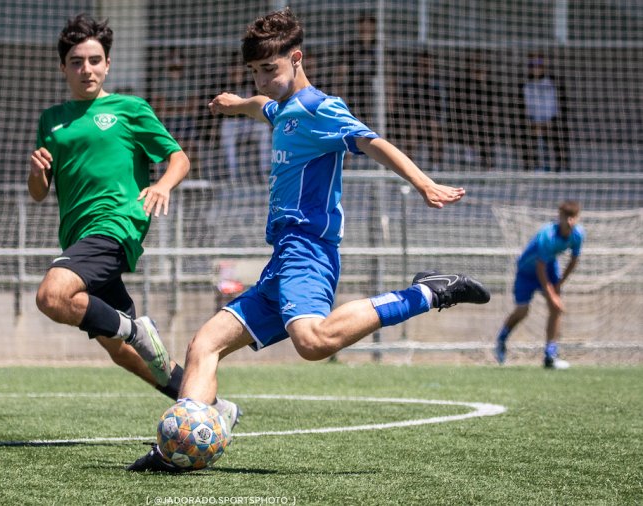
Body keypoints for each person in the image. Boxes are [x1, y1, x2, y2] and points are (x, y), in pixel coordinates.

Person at [128, 8, 490, 473]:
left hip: (309, 250)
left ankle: (427, 292)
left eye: (270, 70)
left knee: (314, 342)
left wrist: (423, 183)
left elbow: (373, 142)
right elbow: (264, 107)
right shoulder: (278, 106)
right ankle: (175, 453)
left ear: (296, 59)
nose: (262, 79)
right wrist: (234, 102)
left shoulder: (321, 108)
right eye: (255, 71)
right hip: (281, 257)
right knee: (204, 345)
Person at [28, 14, 240, 422]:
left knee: (52, 296)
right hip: (78, 236)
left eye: (94, 60)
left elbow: (178, 158)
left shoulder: (129, 108)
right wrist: (36, 173)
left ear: (107, 64)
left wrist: (162, 185)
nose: (86, 69)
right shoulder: (50, 120)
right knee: (122, 352)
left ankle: (134, 328)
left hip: (116, 225)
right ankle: (212, 408)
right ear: (63, 68)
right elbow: (39, 193)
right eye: (76, 61)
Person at [494, 200, 585, 369]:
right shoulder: (548, 235)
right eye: (567, 217)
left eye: (574, 217)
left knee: (555, 309)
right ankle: (501, 339)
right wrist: (552, 295)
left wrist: (560, 283)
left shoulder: (578, 234)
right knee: (522, 311)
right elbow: (539, 267)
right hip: (528, 271)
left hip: (549, 267)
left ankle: (550, 355)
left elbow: (574, 260)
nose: (570, 221)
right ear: (560, 217)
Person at [218, 52, 271, 182]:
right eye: (233, 68)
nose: (236, 71)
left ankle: (265, 171)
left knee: (264, 129)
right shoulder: (222, 85)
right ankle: (232, 174)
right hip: (232, 125)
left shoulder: (253, 83)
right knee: (226, 129)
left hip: (251, 123)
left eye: (238, 68)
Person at [518, 52, 570, 171]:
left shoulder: (553, 83)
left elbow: (560, 107)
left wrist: (549, 122)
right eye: (532, 64)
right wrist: (533, 124)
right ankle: (533, 167)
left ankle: (561, 167)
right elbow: (522, 109)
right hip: (532, 123)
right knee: (526, 134)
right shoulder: (525, 85)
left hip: (551, 122)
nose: (536, 67)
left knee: (559, 131)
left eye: (539, 63)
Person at [396, 50, 446, 170]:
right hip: (413, 122)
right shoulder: (408, 87)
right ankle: (408, 170)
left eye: (427, 65)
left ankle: (436, 168)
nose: (425, 68)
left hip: (430, 122)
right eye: (422, 65)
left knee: (434, 129)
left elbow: (440, 111)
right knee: (412, 131)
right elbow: (403, 108)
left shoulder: (436, 87)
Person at [450, 53, 496, 170]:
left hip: (485, 125)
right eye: (474, 63)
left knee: (486, 128)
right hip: (467, 123)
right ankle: (470, 154)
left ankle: (488, 166)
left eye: (480, 64)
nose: (477, 67)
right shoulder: (463, 85)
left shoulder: (490, 86)